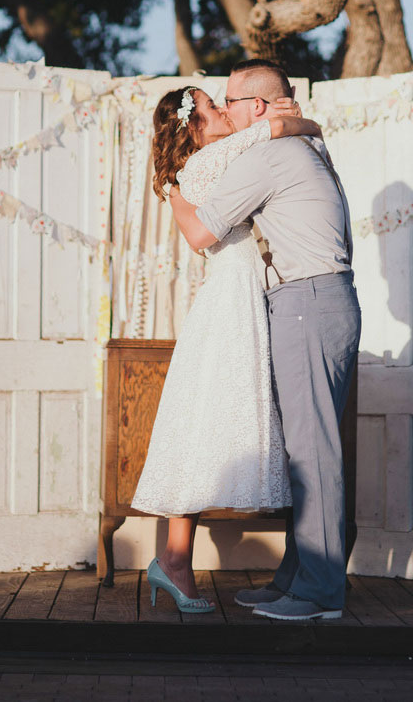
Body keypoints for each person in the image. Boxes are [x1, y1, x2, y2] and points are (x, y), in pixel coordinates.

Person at [170, 59, 361, 622]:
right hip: (317, 302)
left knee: (314, 453)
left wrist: (171, 192)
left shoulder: (270, 155)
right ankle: (296, 578)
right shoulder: (299, 148)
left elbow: (203, 232)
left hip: (307, 301)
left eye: (231, 101)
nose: (226, 111)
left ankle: (321, 592)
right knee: (309, 449)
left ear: (257, 107)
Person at [132, 84, 320, 614]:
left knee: (199, 432)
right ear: (194, 127)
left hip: (237, 298)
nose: (224, 112)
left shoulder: (196, 170)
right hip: (231, 305)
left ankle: (173, 560)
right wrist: (306, 122)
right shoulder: (212, 159)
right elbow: (275, 129)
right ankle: (173, 562)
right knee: (202, 431)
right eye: (214, 106)